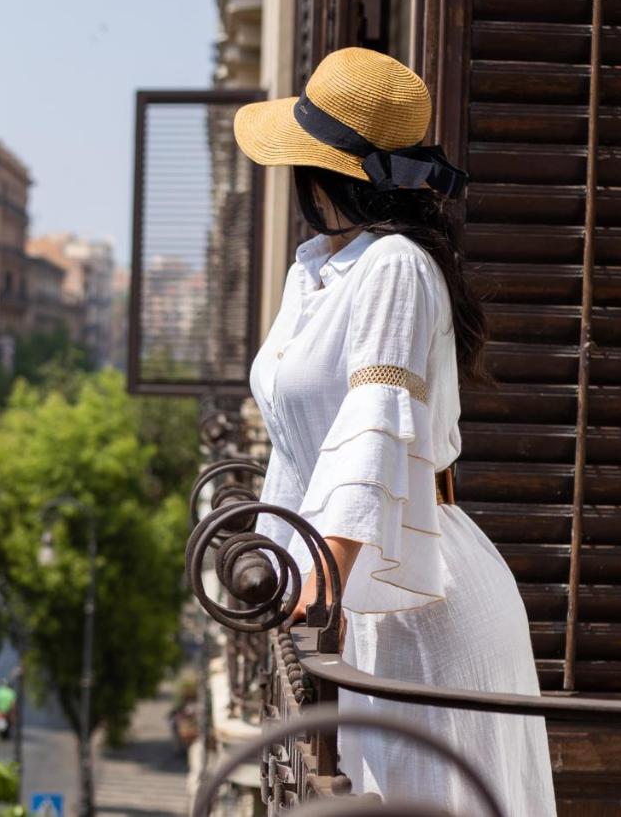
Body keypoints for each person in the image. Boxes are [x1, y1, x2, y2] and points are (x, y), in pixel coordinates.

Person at [232, 47, 556, 815]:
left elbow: (375, 421)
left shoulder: (395, 267)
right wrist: (285, 561)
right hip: (356, 586)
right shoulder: (315, 269)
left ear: (324, 175)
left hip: (417, 594)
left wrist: (324, 578)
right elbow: (295, 442)